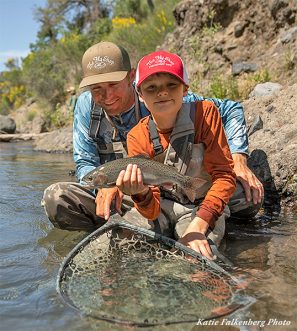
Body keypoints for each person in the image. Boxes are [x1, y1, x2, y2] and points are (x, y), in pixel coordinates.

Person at [42, 41, 263, 232]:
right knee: (56, 199)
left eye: (113, 85)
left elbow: (230, 109)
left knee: (247, 197)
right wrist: (105, 187)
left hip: (171, 189)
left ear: (131, 78)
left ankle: (185, 219)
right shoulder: (85, 107)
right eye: (97, 88)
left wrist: (238, 158)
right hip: (123, 191)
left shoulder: (158, 93)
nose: (107, 96)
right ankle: (119, 226)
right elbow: (85, 162)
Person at [115, 50, 237, 258]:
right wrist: (140, 193)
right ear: (140, 95)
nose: (162, 92)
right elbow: (151, 211)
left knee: (192, 257)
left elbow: (224, 177)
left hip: (203, 205)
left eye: (171, 85)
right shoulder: (136, 136)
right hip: (163, 204)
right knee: (121, 246)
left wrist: (197, 226)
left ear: (186, 89)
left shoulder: (205, 114)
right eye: (151, 88)